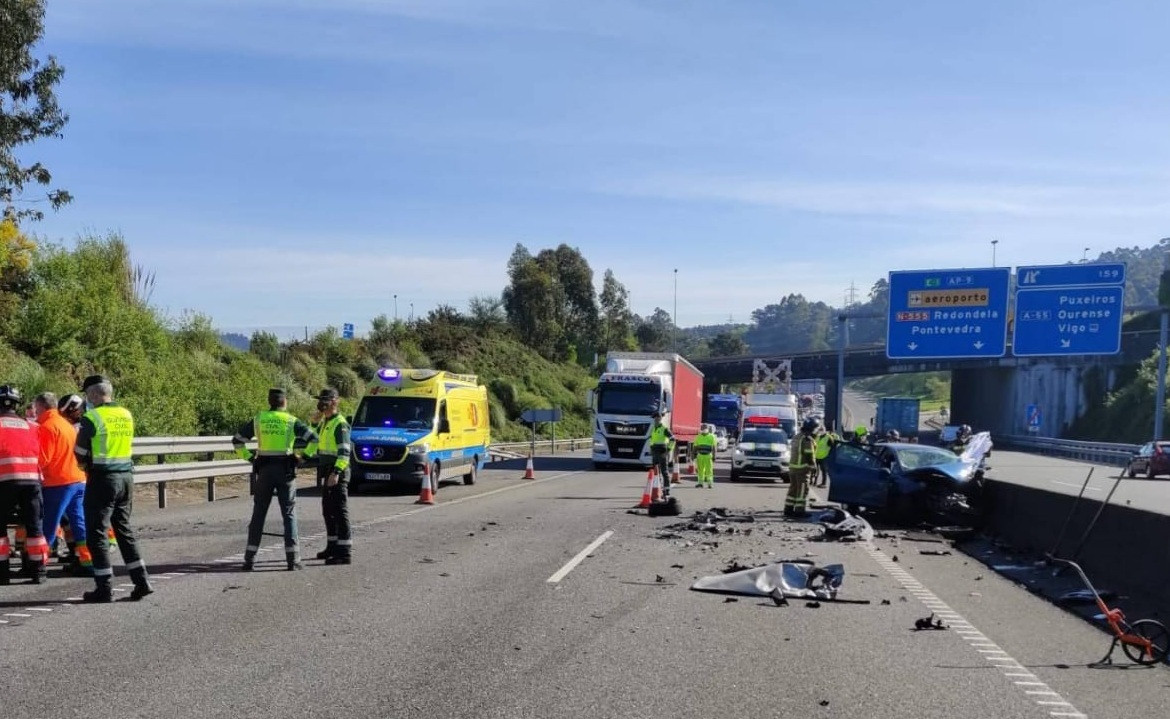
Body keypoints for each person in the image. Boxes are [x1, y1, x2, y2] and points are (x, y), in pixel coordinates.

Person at [76, 375, 152, 602]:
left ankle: (104, 588)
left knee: (97, 533)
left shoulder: (92, 417)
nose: (86, 398)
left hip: (102, 478)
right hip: (126, 477)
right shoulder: (126, 414)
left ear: (94, 394)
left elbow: (79, 452)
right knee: (124, 530)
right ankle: (141, 581)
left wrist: (85, 462)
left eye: (87, 394)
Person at [234, 388, 317, 571]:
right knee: (288, 514)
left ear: (269, 401)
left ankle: (249, 559)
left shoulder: (259, 419)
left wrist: (251, 458)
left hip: (264, 471)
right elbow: (314, 439)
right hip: (285, 471)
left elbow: (237, 440)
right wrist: (302, 457)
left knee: (259, 513)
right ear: (284, 402)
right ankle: (292, 560)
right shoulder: (290, 420)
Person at [33, 392, 91, 575]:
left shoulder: (47, 426)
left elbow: (43, 459)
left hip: (58, 482)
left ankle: (39, 564)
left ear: (41, 407)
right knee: (79, 522)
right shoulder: (65, 424)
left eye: (36, 408)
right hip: (78, 479)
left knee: (48, 523)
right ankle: (88, 561)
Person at [0, 385, 49, 584]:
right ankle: (38, 571)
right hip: (31, 482)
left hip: (4, 482)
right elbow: (43, 456)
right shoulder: (33, 426)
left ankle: (2, 573)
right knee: (34, 527)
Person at [304, 388, 353, 564]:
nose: (321, 404)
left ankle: (344, 552)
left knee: (340, 511)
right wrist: (314, 423)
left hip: (336, 471)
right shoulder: (325, 421)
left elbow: (345, 451)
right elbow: (313, 439)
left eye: (325, 400)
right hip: (327, 471)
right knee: (328, 511)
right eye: (320, 400)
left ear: (334, 402)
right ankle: (332, 546)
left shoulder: (340, 424)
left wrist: (337, 472)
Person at [786, 417, 819, 518]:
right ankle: (799, 511)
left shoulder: (797, 437)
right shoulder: (807, 439)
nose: (817, 430)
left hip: (793, 468)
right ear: (812, 428)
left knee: (793, 489)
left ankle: (788, 509)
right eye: (816, 428)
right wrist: (813, 466)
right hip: (802, 469)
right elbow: (809, 454)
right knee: (802, 490)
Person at [648, 412, 676, 496]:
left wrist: (668, 451)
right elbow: (651, 440)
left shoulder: (664, 429)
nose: (655, 420)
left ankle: (666, 490)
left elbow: (673, 439)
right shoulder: (653, 428)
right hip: (655, 451)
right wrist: (650, 449)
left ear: (660, 418)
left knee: (664, 471)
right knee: (655, 472)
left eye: (656, 418)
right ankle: (657, 489)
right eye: (654, 418)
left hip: (662, 451)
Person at [692, 423, 717, 489]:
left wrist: (714, 456)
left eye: (705, 428)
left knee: (709, 470)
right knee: (700, 470)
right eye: (702, 428)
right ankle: (700, 483)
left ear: (708, 429)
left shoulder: (712, 436)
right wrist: (693, 455)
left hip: (708, 456)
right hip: (700, 456)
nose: (704, 429)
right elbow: (695, 447)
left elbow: (714, 447)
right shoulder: (698, 437)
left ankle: (710, 483)